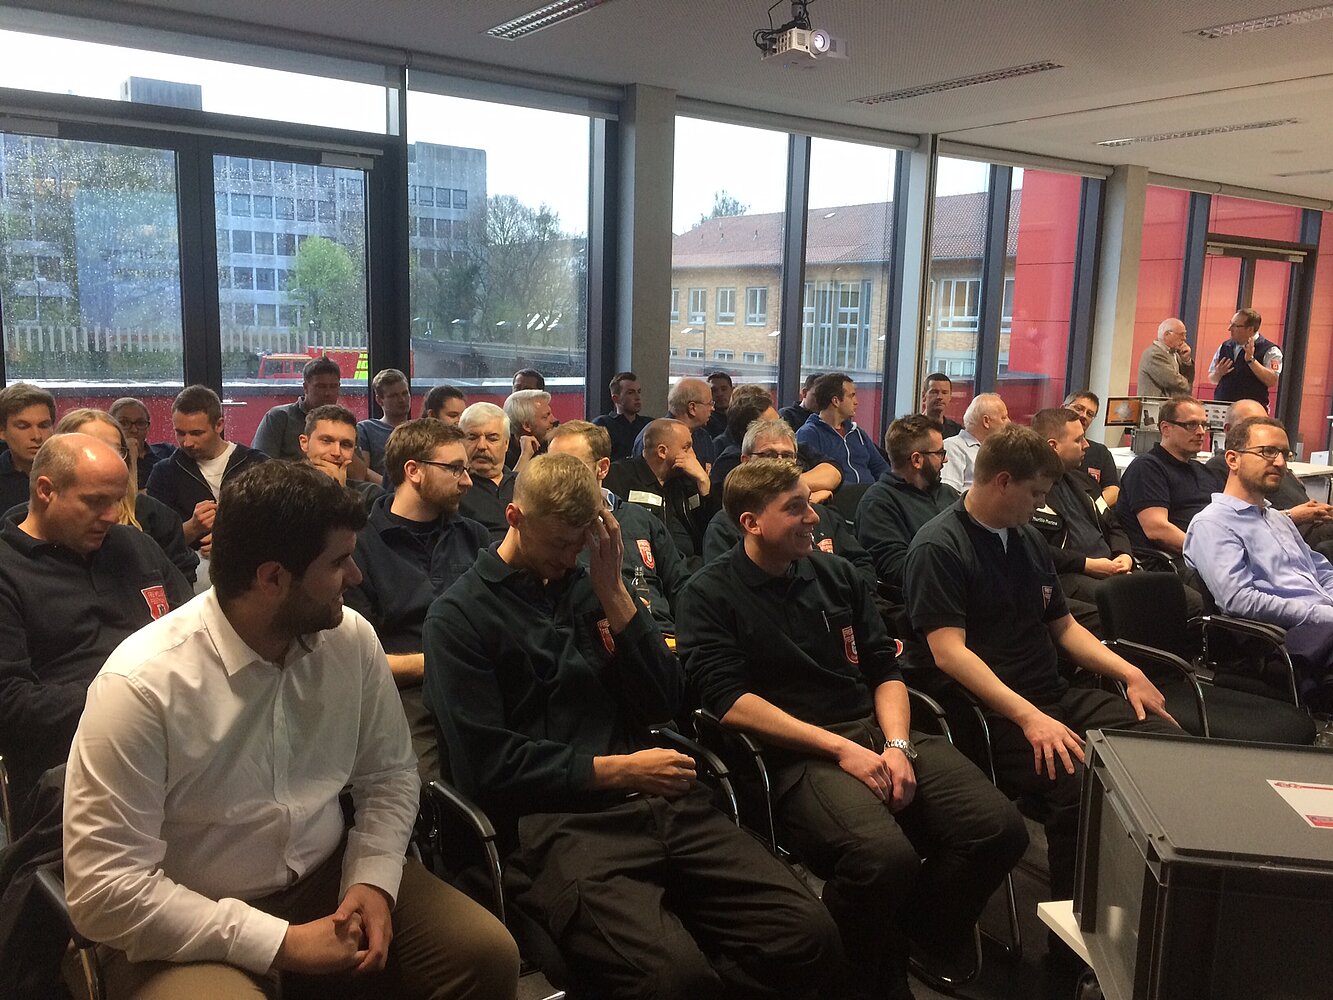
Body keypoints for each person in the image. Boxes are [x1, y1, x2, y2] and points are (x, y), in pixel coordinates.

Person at [63, 461, 519, 1000]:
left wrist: (372, 878)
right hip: (189, 908)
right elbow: (104, 889)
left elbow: (390, 775)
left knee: (484, 955)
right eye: (339, 562)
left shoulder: (350, 640)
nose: (357, 577)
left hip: (325, 873)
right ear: (273, 578)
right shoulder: (141, 684)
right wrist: (280, 942)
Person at [421, 452, 841, 999]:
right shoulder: (459, 618)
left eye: (581, 542)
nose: (569, 557)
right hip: (559, 825)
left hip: (660, 803)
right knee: (674, 979)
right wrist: (619, 771)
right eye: (558, 544)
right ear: (514, 517)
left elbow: (665, 701)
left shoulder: (593, 586)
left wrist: (616, 595)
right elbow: (485, 765)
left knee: (808, 934)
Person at [679, 459, 1027, 1000]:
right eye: (795, 508)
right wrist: (842, 749)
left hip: (875, 729)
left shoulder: (836, 575)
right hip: (795, 754)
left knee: (999, 829)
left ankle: (906, 936)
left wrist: (897, 744)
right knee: (883, 859)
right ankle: (854, 973)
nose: (813, 517)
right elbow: (730, 704)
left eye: (809, 503)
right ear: (751, 523)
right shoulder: (709, 592)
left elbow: (884, 671)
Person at [902, 424, 1180, 902]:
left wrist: (1130, 672)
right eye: (1036, 493)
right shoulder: (939, 547)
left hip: (1051, 693)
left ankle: (1144, 896)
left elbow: (1064, 628)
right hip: (993, 714)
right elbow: (950, 654)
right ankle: (1076, 926)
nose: (1042, 503)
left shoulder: (1026, 539)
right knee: (1083, 788)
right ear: (1003, 482)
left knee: (1165, 745)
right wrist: (1030, 717)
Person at [0, 434, 190, 828]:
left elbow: (195, 628)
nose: (112, 515)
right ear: (46, 491)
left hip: (176, 735)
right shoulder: (8, 571)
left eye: (118, 500)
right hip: (71, 759)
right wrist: (126, 699)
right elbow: (10, 703)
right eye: (95, 502)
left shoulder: (134, 545)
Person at [346, 419, 487, 781]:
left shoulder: (473, 536)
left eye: (466, 469)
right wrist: (440, 662)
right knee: (425, 786)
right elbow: (359, 662)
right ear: (413, 471)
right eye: (454, 468)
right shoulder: (359, 547)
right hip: (406, 695)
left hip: (479, 686)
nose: (467, 481)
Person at [1186, 415, 1333, 707]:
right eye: (1267, 452)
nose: (1279, 462)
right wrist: (1321, 614)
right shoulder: (1213, 524)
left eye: (1285, 454)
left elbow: (1321, 571)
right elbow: (1239, 601)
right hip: (1277, 644)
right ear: (1233, 459)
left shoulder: (1277, 518)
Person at [548, 420, 689, 634]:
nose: (556, 475)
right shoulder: (547, 529)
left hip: (663, 636)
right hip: (594, 638)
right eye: (551, 465)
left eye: (571, 466)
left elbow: (681, 588)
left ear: (603, 468)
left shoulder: (640, 518)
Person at [704, 419, 874, 594]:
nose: (780, 464)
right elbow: (724, 588)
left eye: (787, 456)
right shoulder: (726, 525)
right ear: (746, 461)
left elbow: (862, 566)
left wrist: (837, 598)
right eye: (769, 455)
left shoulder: (821, 514)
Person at [54, 409, 198, 585]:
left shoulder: (156, 516)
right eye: (93, 448)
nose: (107, 458)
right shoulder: (42, 521)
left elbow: (181, 587)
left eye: (115, 449)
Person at [1029, 407, 1134, 605]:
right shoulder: (1031, 490)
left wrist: (1123, 555)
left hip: (1111, 567)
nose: (1086, 445)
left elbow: (1113, 525)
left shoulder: (1085, 482)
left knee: (1174, 595)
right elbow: (1034, 548)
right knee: (1128, 602)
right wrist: (1087, 564)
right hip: (1068, 575)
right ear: (1053, 446)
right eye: (1078, 440)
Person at [146, 385, 268, 555]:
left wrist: (236, 540)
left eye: (196, 433)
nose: (187, 442)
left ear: (219, 425)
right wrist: (192, 528)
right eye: (180, 433)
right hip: (190, 565)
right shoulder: (165, 473)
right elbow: (154, 544)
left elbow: (278, 526)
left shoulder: (257, 465)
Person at [1205, 399, 1333, 559]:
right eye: (1253, 422)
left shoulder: (1277, 465)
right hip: (1292, 533)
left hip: (1304, 534)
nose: (1279, 462)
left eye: (1283, 454)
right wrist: (1291, 516)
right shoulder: (1220, 467)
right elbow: (1238, 519)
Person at [856, 415, 960, 606]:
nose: (945, 460)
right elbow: (895, 569)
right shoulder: (878, 503)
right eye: (940, 453)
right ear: (917, 460)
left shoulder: (948, 494)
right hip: (924, 603)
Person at [1117, 396, 1222, 568]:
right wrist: (1211, 553)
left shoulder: (1201, 470)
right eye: (1191, 425)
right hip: (1172, 563)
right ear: (1166, 428)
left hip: (1208, 556)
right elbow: (1157, 530)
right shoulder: (1148, 468)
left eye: (1204, 425)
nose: (1201, 432)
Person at [604, 418, 712, 563]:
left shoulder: (688, 481)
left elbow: (710, 534)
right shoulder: (619, 477)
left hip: (690, 568)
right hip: (640, 566)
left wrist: (704, 482)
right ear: (662, 452)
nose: (693, 455)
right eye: (686, 448)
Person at [709, 386, 840, 503]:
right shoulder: (730, 460)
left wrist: (795, 486)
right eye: (770, 424)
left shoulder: (794, 447)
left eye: (779, 421)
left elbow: (834, 472)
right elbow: (758, 499)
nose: (780, 427)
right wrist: (808, 496)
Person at [795, 373, 888, 486]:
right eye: (851, 396)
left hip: (870, 492)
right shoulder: (809, 434)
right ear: (836, 401)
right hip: (840, 494)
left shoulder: (857, 433)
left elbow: (881, 467)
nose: (856, 402)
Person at [251, 355, 342, 460]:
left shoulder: (343, 422)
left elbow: (356, 469)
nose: (328, 393)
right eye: (321, 387)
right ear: (306, 388)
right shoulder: (279, 418)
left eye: (333, 386)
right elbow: (260, 465)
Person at [457, 402, 517, 543]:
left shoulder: (525, 484)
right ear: (460, 442)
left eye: (492, 438)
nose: (481, 446)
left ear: (506, 444)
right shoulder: (453, 489)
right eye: (472, 437)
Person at [301, 404, 386, 504]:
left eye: (345, 445)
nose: (336, 452)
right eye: (326, 441)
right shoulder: (285, 487)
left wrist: (339, 493)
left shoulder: (371, 495)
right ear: (304, 443)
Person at [632, 376, 718, 467]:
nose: (713, 408)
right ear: (692, 408)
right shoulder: (653, 436)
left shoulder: (703, 437)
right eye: (710, 403)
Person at [1207, 307, 1281, 407]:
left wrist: (1251, 360)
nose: (1229, 329)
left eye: (1235, 326)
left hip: (1251, 409)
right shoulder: (1225, 346)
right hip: (1223, 408)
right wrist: (1218, 373)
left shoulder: (1270, 350)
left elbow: (1272, 380)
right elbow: (1212, 379)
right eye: (1230, 324)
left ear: (1250, 329)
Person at [0, 382, 56, 513]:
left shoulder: (70, 473)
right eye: (23, 426)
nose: (37, 436)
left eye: (44, 426)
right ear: (2, 431)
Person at [941, 392, 1009, 492]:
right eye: (1003, 418)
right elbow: (948, 493)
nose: (1009, 422)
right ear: (986, 421)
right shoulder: (953, 447)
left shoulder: (997, 451)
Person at [1064, 390, 1120, 506]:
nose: (1083, 415)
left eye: (1090, 414)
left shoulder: (1100, 452)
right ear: (1063, 408)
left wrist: (1091, 508)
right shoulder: (1047, 448)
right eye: (1079, 408)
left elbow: (1113, 490)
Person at [356, 368, 413, 481]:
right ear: (379, 400)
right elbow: (363, 472)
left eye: (405, 393)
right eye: (394, 396)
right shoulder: (366, 429)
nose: (402, 400)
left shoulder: (420, 430)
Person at [110, 396, 176, 491]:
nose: (134, 430)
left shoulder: (166, 451)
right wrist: (131, 458)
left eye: (140, 423)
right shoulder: (109, 462)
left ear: (148, 427)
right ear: (112, 426)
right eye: (124, 423)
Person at [592, 370, 654, 460]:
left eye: (639, 392)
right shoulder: (603, 424)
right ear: (616, 398)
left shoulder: (649, 424)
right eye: (630, 393)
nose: (637, 397)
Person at [1138, 318, 1196, 397]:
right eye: (1181, 334)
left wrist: (1186, 360)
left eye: (1185, 334)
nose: (1184, 338)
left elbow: (1188, 380)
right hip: (1156, 404)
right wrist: (1188, 384)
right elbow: (1174, 382)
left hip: (1173, 403)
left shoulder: (1176, 354)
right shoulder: (1153, 354)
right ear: (1167, 334)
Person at [502, 388, 555, 471]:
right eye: (545, 417)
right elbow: (512, 480)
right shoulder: (502, 452)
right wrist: (525, 456)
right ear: (527, 426)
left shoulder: (555, 443)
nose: (553, 420)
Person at [921, 372, 963, 439]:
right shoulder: (912, 428)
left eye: (944, 392)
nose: (940, 397)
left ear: (950, 397)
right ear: (924, 396)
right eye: (934, 392)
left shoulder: (956, 431)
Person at [705, 370, 733, 437]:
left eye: (724, 389)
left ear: (732, 390)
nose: (720, 394)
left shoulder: (740, 417)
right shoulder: (705, 421)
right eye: (714, 390)